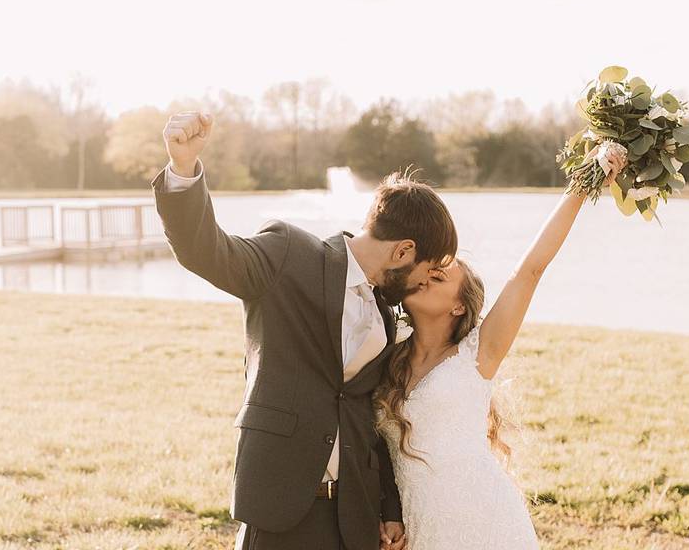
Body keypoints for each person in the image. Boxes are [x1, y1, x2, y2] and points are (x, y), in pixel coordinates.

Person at [151, 110, 459, 549]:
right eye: (426, 271)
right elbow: (207, 251)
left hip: (351, 519)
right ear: (403, 250)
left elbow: (369, 420)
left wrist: (388, 507)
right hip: (278, 508)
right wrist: (183, 169)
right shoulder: (288, 255)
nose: (424, 283)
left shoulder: (386, 320)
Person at [373, 148, 625, 549]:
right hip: (422, 528)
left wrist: (584, 181)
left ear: (459, 305)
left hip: (485, 521)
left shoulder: (477, 355)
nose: (427, 275)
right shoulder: (385, 359)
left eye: (440, 275)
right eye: (427, 269)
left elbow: (528, 270)